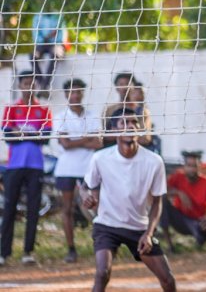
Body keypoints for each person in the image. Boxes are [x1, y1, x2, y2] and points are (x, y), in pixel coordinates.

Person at [81, 110, 198, 292]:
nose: (130, 126)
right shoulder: (101, 158)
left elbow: (157, 202)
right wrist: (87, 198)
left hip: (139, 229)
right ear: (115, 131)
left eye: (134, 122)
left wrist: (148, 232)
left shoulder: (153, 161)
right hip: (107, 225)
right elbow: (86, 187)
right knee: (103, 272)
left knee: (168, 279)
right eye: (124, 122)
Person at [1, 70, 53, 266]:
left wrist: (19, 131)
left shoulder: (44, 110)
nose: (29, 87)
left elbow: (45, 138)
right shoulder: (11, 109)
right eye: (25, 83)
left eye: (33, 83)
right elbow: (7, 136)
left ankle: (28, 252)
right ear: (20, 85)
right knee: (9, 209)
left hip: (35, 166)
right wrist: (32, 133)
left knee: (33, 209)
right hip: (14, 165)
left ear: (37, 86)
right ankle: (4, 253)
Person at [53, 78, 103, 263]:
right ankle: (71, 249)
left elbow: (98, 142)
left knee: (96, 208)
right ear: (66, 95)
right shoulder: (60, 116)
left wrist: (76, 140)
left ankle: (102, 246)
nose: (75, 95)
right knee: (67, 209)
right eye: (72, 92)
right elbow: (65, 144)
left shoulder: (92, 115)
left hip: (89, 169)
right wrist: (85, 139)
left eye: (78, 91)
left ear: (82, 93)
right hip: (66, 169)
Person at [161, 149, 206, 249]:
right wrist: (179, 192)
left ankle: (199, 239)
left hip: (198, 221)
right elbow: (161, 190)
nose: (192, 169)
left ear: (200, 166)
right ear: (184, 167)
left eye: (195, 166)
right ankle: (169, 245)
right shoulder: (178, 176)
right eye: (189, 166)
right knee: (162, 200)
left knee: (201, 229)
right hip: (180, 219)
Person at [31, 12, 66, 97]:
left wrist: (51, 38)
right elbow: (36, 34)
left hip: (56, 44)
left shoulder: (58, 16)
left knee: (55, 55)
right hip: (41, 44)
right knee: (33, 56)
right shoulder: (37, 16)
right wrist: (46, 38)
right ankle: (43, 85)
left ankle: (43, 86)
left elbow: (61, 35)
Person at [102, 72, 136, 147]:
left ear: (133, 86)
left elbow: (146, 138)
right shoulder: (108, 110)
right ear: (116, 88)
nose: (124, 87)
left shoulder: (142, 110)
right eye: (121, 84)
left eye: (127, 83)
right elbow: (104, 137)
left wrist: (117, 133)